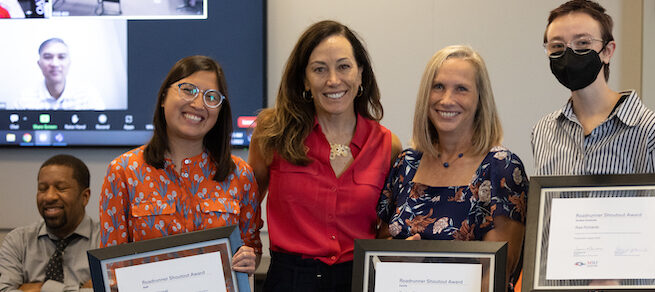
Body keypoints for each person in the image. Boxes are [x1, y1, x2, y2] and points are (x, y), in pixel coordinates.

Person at [530, 0, 655, 288]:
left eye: (583, 43)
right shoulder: (544, 131)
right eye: (557, 47)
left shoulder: (652, 132)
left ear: (608, 51)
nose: (569, 55)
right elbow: (545, 227)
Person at [249, 20, 401, 291]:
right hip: (290, 280)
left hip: (359, 279)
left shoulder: (387, 145)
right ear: (305, 79)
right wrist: (247, 251)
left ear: (360, 74)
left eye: (344, 66)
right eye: (320, 69)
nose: (333, 80)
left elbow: (387, 230)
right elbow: (245, 208)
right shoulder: (272, 134)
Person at [376, 45, 528, 292]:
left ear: (480, 99)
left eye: (461, 89)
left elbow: (497, 273)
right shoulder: (405, 163)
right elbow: (379, 249)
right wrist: (401, 255)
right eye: (438, 87)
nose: (446, 99)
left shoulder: (501, 167)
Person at [99, 55, 262, 275]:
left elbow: (252, 248)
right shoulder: (124, 171)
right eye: (188, 90)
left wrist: (249, 260)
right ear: (164, 97)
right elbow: (111, 265)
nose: (198, 104)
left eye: (211, 97)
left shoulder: (240, 175)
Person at [0, 154, 99, 292]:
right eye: (42, 188)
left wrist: (44, 288)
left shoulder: (106, 241)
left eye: (61, 188)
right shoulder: (18, 241)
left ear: (85, 197)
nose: (49, 196)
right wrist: (82, 289)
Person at [11, 38, 104, 110]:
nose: (55, 64)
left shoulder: (88, 95)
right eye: (48, 57)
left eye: (61, 57)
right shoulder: (24, 99)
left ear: (69, 63)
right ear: (39, 64)